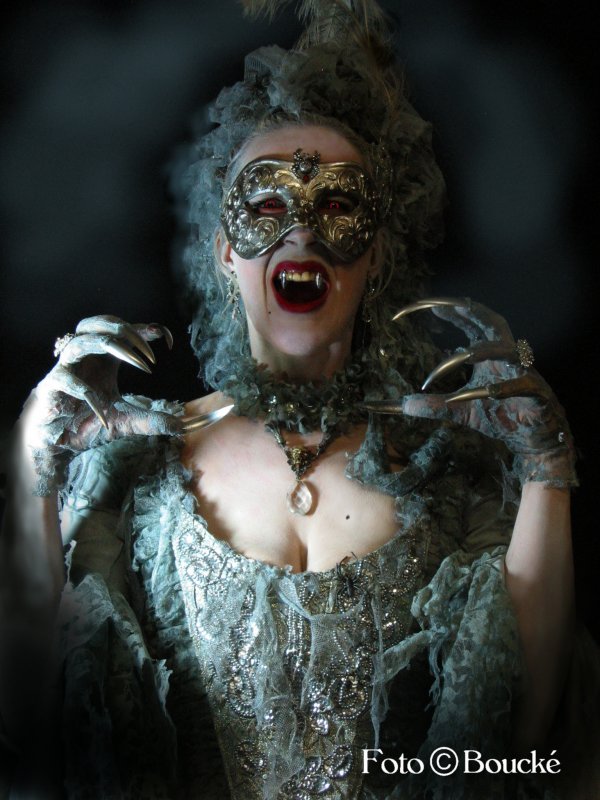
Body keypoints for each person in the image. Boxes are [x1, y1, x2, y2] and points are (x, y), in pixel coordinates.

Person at [1, 1, 597, 798]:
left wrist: (546, 471)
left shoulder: (446, 465)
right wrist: (33, 468)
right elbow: (31, 719)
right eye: (266, 206)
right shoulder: (140, 469)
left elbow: (519, 736)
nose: (302, 233)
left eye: (340, 205)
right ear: (225, 251)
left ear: (376, 255)